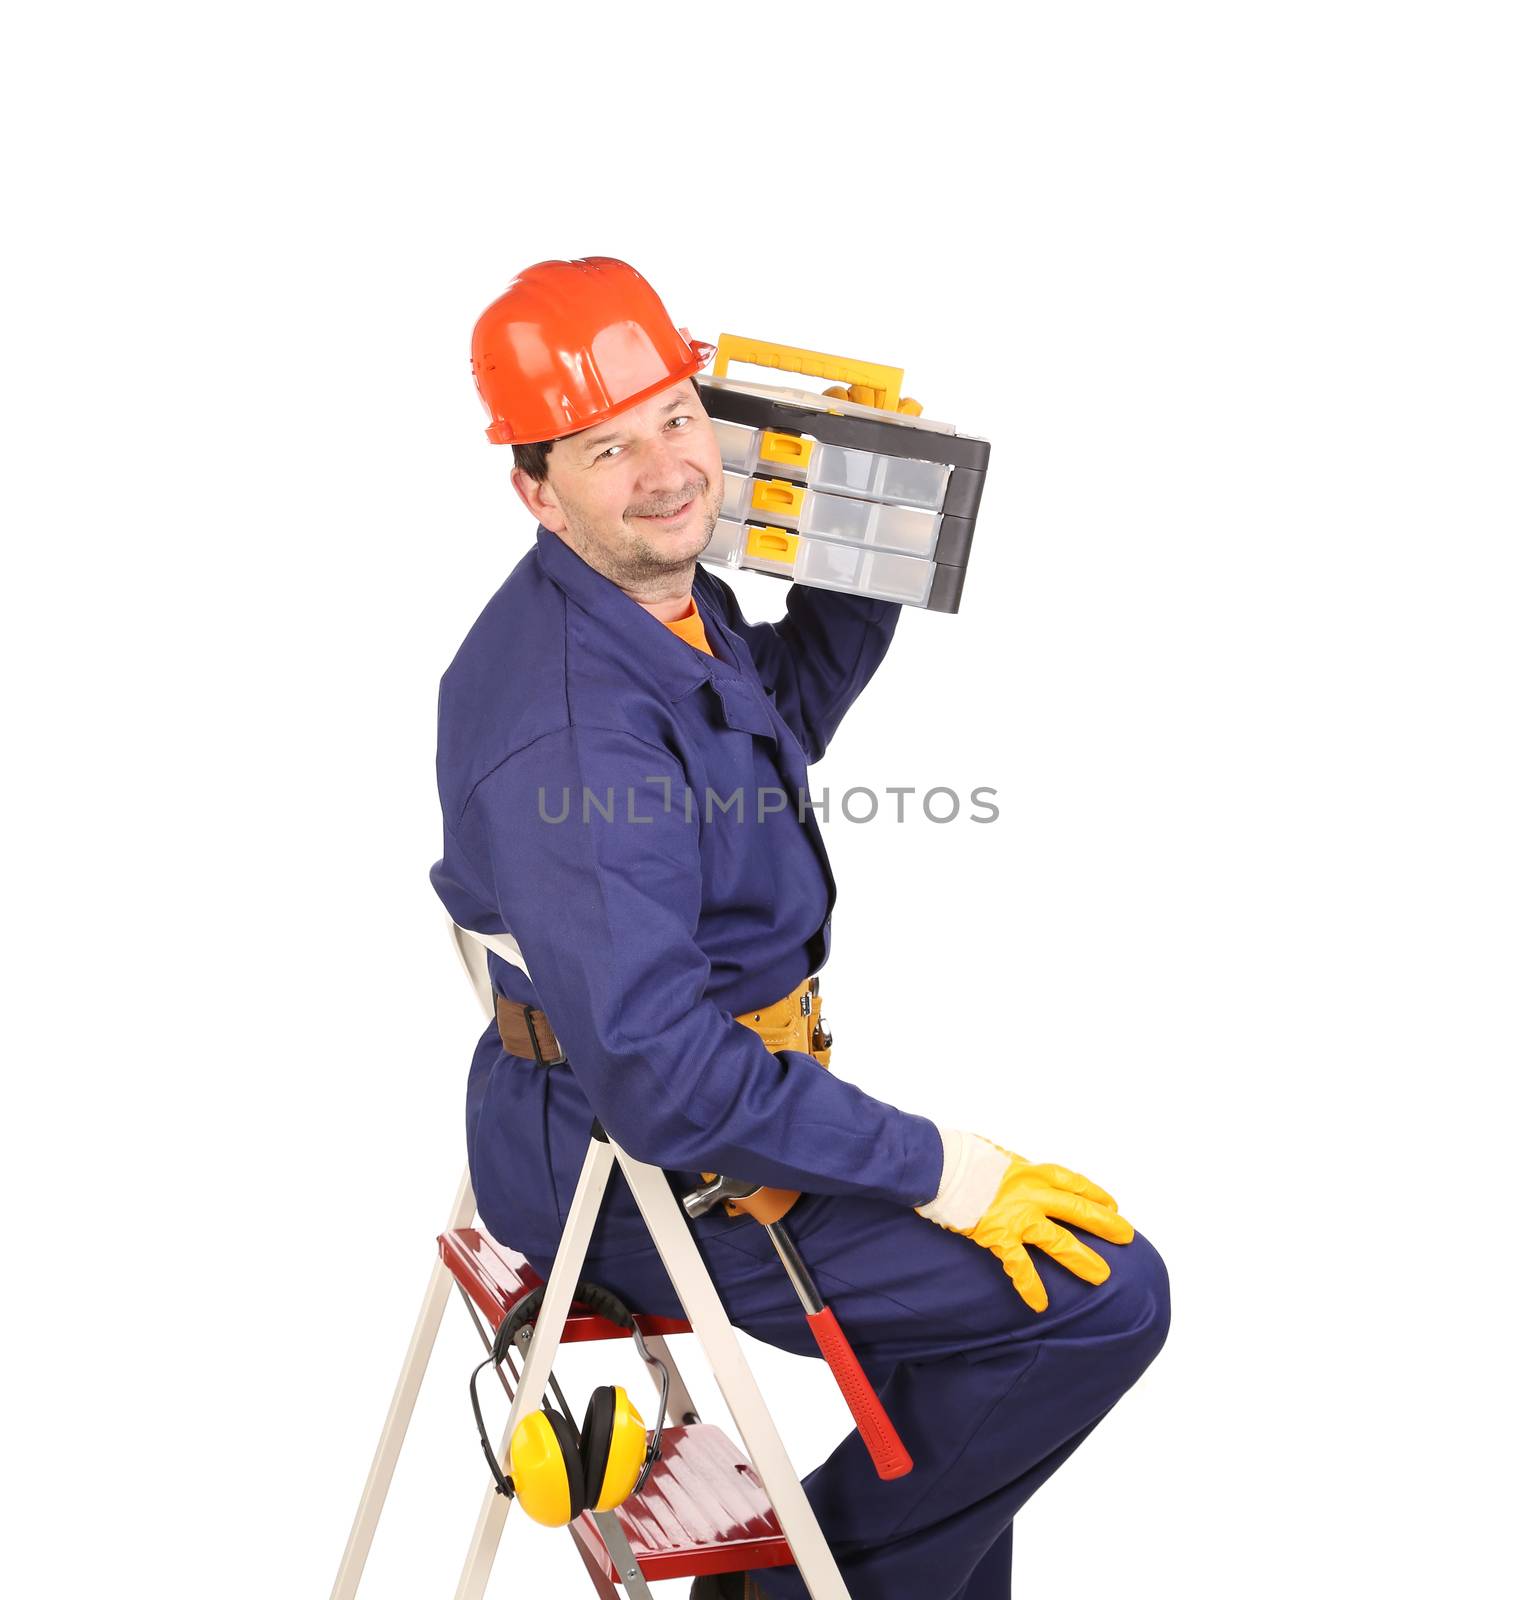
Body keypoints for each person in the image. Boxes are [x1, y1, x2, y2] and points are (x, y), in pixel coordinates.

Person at [430, 256, 1170, 1600]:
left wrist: (863, 532)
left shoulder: (650, 597)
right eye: (607, 447)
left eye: (675, 418)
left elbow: (763, 735)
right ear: (534, 486)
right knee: (1097, 1301)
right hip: (629, 1151)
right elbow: (660, 1073)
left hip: (695, 1094)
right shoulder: (574, 720)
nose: (666, 472)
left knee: (969, 1354)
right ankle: (777, 1596)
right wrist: (945, 1169)